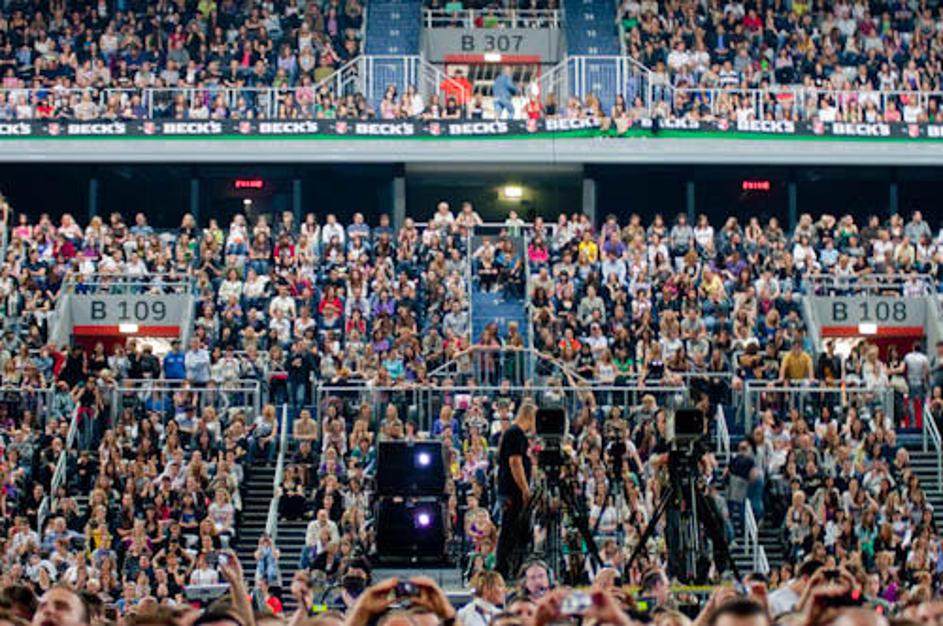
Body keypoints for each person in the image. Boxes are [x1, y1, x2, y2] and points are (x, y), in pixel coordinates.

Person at [494, 402, 535, 578]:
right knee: (509, 530)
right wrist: (525, 489)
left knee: (515, 531)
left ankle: (511, 568)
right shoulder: (515, 433)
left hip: (511, 490)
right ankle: (503, 569)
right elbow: (515, 462)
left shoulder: (515, 434)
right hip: (512, 491)